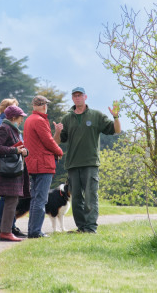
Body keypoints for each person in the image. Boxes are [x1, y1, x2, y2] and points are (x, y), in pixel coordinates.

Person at [54, 87, 121, 234]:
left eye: (80, 95)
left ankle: (90, 228)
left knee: (91, 197)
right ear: (72, 98)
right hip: (72, 164)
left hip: (90, 164)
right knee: (76, 199)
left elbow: (116, 130)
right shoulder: (67, 118)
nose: (77, 98)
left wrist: (116, 117)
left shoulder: (96, 115)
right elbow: (57, 141)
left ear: (85, 97)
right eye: (75, 96)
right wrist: (57, 132)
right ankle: (81, 228)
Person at [23, 95, 64, 238]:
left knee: (35, 198)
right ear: (44, 105)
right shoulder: (40, 120)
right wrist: (59, 151)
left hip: (33, 163)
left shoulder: (29, 119)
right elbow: (48, 141)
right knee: (41, 199)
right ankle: (35, 231)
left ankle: (32, 229)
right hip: (43, 164)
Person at [0, 105, 29, 242]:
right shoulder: (4, 128)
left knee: (12, 201)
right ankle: (6, 232)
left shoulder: (12, 129)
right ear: (13, 117)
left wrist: (24, 151)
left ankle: (5, 230)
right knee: (11, 201)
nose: (21, 120)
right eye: (20, 117)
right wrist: (15, 151)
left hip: (13, 171)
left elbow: (18, 147)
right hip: (8, 172)